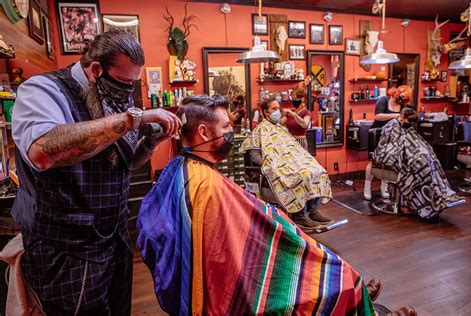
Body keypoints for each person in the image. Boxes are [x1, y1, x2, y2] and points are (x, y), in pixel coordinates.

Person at [137, 94, 416, 316]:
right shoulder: (206, 185)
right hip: (231, 286)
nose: (231, 133)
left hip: (212, 272)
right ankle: (358, 303)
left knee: (302, 242)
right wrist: (274, 222)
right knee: (334, 269)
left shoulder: (177, 169)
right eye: (225, 127)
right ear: (202, 131)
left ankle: (356, 297)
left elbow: (148, 226)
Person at [11, 30, 181, 314]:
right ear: (96, 69)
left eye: (133, 84)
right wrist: (130, 119)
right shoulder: (43, 90)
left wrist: (150, 142)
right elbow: (42, 152)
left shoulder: (111, 94)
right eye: (124, 83)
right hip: (66, 248)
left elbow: (122, 163)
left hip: (113, 238)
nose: (127, 92)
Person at [241, 98, 334, 232]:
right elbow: (254, 155)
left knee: (317, 171)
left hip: (291, 162)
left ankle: (312, 211)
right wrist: (268, 164)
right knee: (299, 176)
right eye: (274, 109)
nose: (278, 111)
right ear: (266, 113)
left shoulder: (281, 128)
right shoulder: (259, 130)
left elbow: (291, 147)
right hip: (276, 167)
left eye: (278, 108)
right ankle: (299, 217)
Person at [373, 107, 460, 219]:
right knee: (421, 169)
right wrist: (405, 152)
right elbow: (389, 144)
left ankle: (443, 195)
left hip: (414, 155)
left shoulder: (407, 126)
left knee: (432, 161)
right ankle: (428, 203)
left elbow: (414, 140)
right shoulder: (392, 124)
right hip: (397, 154)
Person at [364, 85, 412, 200]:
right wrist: (395, 115)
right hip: (377, 134)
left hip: (392, 136)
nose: (401, 99)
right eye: (400, 96)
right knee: (373, 161)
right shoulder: (384, 100)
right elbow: (378, 116)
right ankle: (367, 187)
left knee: (388, 161)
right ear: (396, 92)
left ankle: (383, 187)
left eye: (404, 98)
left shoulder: (402, 106)